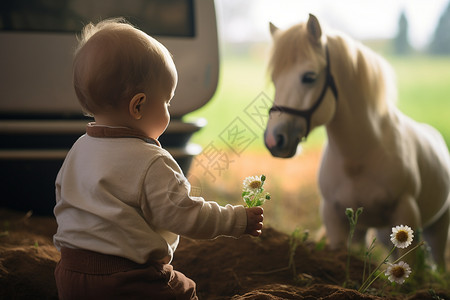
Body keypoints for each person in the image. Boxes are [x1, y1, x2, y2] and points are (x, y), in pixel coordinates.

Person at [53, 18, 264, 300]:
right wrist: (237, 220)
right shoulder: (151, 161)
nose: (168, 110)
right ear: (138, 105)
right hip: (127, 279)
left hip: (69, 275)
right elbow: (188, 215)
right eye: (166, 101)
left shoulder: (79, 149)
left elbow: (63, 198)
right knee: (184, 291)